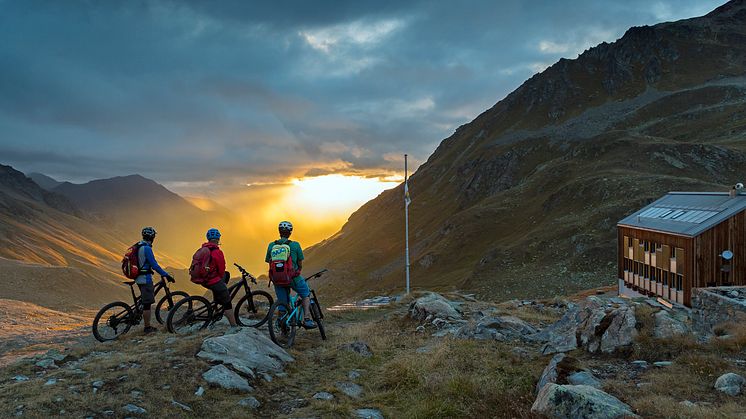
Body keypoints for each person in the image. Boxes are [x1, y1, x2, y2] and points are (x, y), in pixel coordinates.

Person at [265, 221, 316, 329]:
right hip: (293, 278)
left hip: (277, 279)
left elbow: (268, 261)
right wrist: (298, 270)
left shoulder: (271, 245)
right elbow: (299, 263)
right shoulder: (295, 245)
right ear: (290, 232)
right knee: (305, 294)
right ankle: (306, 319)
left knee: (282, 302)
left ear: (279, 232)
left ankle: (282, 323)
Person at [135, 226, 174, 334]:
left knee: (144, 299)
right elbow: (154, 265)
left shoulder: (139, 245)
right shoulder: (147, 248)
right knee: (147, 304)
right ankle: (147, 328)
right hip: (145, 278)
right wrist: (166, 275)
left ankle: (138, 313)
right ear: (152, 237)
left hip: (138, 277)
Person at [199, 228, 238, 327]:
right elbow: (221, 269)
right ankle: (234, 325)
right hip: (211, 280)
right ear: (218, 239)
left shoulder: (203, 249)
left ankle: (217, 300)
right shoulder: (217, 252)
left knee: (227, 274)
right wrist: (220, 283)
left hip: (202, 278)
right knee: (227, 300)